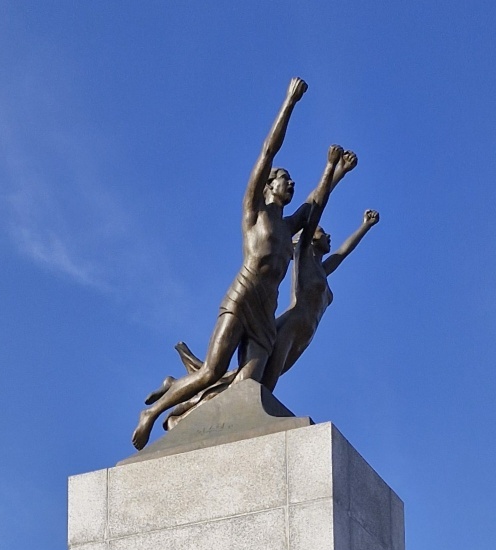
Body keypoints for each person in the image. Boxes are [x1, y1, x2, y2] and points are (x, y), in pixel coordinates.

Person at [132, 78, 348, 450]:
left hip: (266, 311)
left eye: (293, 181)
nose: (291, 183)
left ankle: (184, 414)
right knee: (214, 370)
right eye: (285, 179)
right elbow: (268, 150)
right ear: (268, 186)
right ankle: (151, 415)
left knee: (245, 391)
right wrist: (289, 103)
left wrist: (333, 172)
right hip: (243, 296)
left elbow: (315, 204)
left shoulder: (289, 226)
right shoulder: (255, 212)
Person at [262, 209, 380, 392]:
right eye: (321, 231)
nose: (328, 235)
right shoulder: (303, 257)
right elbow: (311, 220)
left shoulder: (321, 270)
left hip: (305, 333)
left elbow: (343, 252)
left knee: (269, 379)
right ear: (310, 239)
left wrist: (365, 226)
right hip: (292, 326)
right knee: (265, 381)